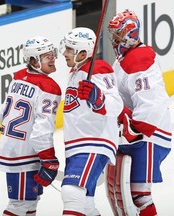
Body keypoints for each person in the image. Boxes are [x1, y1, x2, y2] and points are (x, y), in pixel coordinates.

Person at [107, 9, 172, 215]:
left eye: (117, 34)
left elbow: (151, 102)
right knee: (122, 193)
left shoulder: (139, 59)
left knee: (139, 196)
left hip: (149, 134)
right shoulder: (126, 57)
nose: (114, 38)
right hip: (137, 133)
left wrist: (134, 129)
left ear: (129, 35)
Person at [59, 27, 123, 215]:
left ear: (83, 53)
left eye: (70, 49)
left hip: (94, 141)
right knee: (86, 204)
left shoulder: (98, 68)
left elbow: (116, 104)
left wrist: (98, 98)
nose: (65, 53)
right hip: (79, 144)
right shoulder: (75, 71)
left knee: (72, 191)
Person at [0, 36, 61, 216]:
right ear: (33, 60)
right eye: (46, 56)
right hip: (24, 156)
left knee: (30, 205)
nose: (52, 58)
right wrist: (49, 159)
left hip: (12, 149)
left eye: (52, 54)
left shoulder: (18, 77)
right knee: (20, 205)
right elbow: (41, 131)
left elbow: (3, 115)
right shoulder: (49, 87)